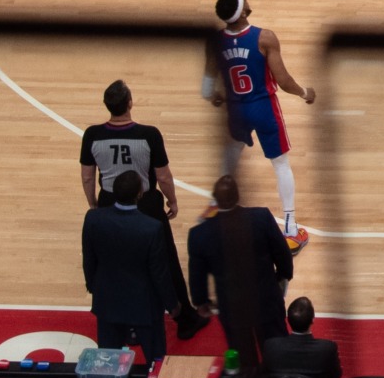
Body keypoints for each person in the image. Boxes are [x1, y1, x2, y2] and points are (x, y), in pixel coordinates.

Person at [206, 0, 316, 248]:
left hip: (235, 109)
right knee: (280, 164)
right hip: (263, 107)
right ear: (243, 12)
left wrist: (217, 98)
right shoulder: (264, 38)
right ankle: (290, 228)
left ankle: (215, 208)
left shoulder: (216, 41)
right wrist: (304, 93)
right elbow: (283, 80)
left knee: (230, 157)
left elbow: (208, 88)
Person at [186, 173, 294, 362]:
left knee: (244, 359)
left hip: (232, 306)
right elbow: (282, 252)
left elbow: (197, 274)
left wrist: (201, 302)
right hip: (266, 299)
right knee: (278, 353)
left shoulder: (199, 234)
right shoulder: (261, 218)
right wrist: (283, 277)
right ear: (238, 196)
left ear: (215, 200)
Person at [83, 170, 185, 363]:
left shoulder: (93, 219)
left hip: (108, 300)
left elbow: (89, 259)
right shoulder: (152, 227)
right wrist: (172, 303)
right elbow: (160, 272)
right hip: (144, 304)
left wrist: (93, 286)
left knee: (107, 363)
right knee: (156, 363)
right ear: (139, 194)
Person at [81, 79, 177, 212]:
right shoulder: (150, 134)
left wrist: (93, 204)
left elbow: (87, 177)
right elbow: (163, 177)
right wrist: (172, 201)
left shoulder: (92, 135)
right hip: (145, 203)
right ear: (130, 103)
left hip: (109, 201)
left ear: (106, 104)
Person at [265, 298, 342, 378]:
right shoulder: (327, 349)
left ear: (288, 320)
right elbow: (336, 375)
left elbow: (264, 375)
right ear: (313, 319)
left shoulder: (271, 346)